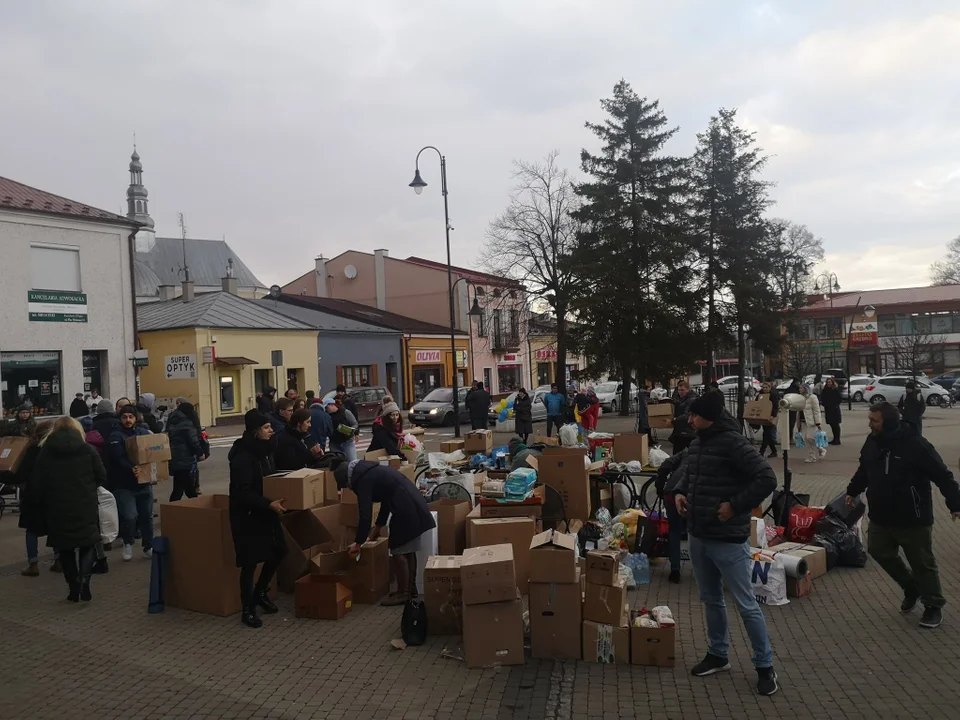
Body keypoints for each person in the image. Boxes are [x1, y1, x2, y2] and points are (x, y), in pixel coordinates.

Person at [669, 390, 779, 696]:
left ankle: (765, 666)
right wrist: (679, 492)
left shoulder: (733, 442)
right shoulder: (697, 443)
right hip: (698, 534)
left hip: (727, 539)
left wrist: (734, 505)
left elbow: (767, 478)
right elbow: (688, 472)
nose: (689, 420)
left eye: (694, 415)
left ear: (711, 417)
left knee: (746, 604)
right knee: (711, 599)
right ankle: (718, 654)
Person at [846, 402, 960, 629]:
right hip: (881, 513)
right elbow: (864, 468)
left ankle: (933, 605)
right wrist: (852, 490)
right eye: (870, 420)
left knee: (922, 563)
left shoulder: (916, 444)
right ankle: (911, 586)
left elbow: (942, 475)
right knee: (878, 550)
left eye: (874, 421)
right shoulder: (872, 442)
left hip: (912, 516)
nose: (870, 424)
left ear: (887, 423)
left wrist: (955, 503)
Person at [334, 458, 437, 606]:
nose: (349, 488)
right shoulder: (370, 472)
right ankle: (409, 589)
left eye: (347, 485)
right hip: (412, 503)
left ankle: (403, 593)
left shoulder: (363, 480)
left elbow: (365, 514)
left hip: (406, 508)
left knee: (398, 549)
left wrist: (358, 542)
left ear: (349, 479)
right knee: (408, 550)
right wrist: (378, 527)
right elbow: (386, 500)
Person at [30, 416, 106, 602]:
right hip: (84, 504)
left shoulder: (46, 452)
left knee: (65, 549)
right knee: (87, 544)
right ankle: (85, 582)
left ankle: (73, 588)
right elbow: (101, 476)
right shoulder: (87, 449)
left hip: (56, 507)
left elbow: (37, 482)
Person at [228, 409, 287, 628]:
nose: (271, 430)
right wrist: (267, 503)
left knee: (279, 551)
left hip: (266, 510)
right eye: (266, 427)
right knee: (250, 563)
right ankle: (247, 609)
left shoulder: (265, 452)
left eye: (270, 426)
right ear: (255, 431)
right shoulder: (243, 457)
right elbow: (243, 492)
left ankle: (261, 592)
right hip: (248, 515)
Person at [106, 405, 153, 561]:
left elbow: (152, 452)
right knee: (130, 516)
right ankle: (128, 543)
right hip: (124, 485)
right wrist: (133, 468)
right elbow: (117, 458)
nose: (128, 420)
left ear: (135, 418)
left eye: (130, 417)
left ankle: (148, 546)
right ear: (120, 418)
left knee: (146, 517)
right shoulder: (115, 436)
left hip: (144, 483)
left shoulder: (143, 433)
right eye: (124, 417)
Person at [17, 420, 55, 576]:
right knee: (55, 528)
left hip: (32, 496)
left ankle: (33, 564)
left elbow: (21, 473)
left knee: (31, 531)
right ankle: (59, 559)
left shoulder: (31, 451)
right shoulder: (55, 450)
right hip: (52, 495)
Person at [657, 449, 687, 584]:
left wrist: (660, 486)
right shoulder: (715, 453)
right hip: (693, 494)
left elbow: (666, 464)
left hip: (672, 491)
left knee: (674, 531)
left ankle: (675, 570)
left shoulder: (688, 450)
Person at [167, 401, 206, 501]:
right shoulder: (187, 424)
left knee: (181, 485)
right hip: (184, 457)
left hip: (174, 455)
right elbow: (193, 441)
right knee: (182, 487)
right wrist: (200, 453)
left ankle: (192, 503)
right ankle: (196, 506)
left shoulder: (172, 420)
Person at [796, 384, 825, 463]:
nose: (799, 389)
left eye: (801, 388)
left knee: (810, 437)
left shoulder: (812, 397)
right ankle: (812, 456)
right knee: (806, 438)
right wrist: (798, 424)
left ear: (805, 389)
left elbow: (816, 410)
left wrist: (818, 422)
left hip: (811, 421)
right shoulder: (800, 398)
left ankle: (821, 449)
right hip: (802, 421)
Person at [670, 381, 696, 455]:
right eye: (679, 390)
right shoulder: (680, 399)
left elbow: (687, 414)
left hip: (687, 431)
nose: (680, 392)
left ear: (688, 390)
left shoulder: (691, 399)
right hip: (680, 430)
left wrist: (675, 420)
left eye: (682, 390)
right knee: (678, 453)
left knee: (678, 453)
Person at [757, 382, 780, 459]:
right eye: (763, 387)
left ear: (770, 388)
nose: (765, 389)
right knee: (768, 434)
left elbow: (775, 406)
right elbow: (756, 404)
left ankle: (761, 451)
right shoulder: (760, 395)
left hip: (770, 417)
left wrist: (773, 416)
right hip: (763, 416)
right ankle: (774, 451)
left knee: (766, 434)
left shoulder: (773, 395)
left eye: (766, 387)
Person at [820, 377, 843, 446]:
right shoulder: (825, 390)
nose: (828, 383)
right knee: (831, 424)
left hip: (834, 409)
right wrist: (824, 404)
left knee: (836, 424)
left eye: (830, 382)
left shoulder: (835, 390)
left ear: (832, 382)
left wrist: (835, 404)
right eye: (827, 382)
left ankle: (837, 439)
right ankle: (834, 439)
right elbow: (822, 398)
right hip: (828, 409)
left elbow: (839, 398)